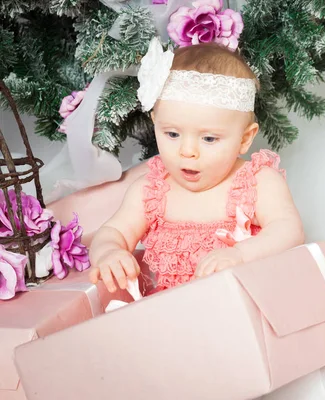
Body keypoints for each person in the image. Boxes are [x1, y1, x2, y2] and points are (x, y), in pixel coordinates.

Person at [89, 38, 304, 293]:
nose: (187, 151)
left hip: (248, 309)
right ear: (155, 123)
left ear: (245, 138)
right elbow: (113, 231)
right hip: (179, 316)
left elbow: (288, 230)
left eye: (209, 138)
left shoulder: (258, 183)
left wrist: (240, 255)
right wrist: (108, 253)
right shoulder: (151, 191)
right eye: (172, 134)